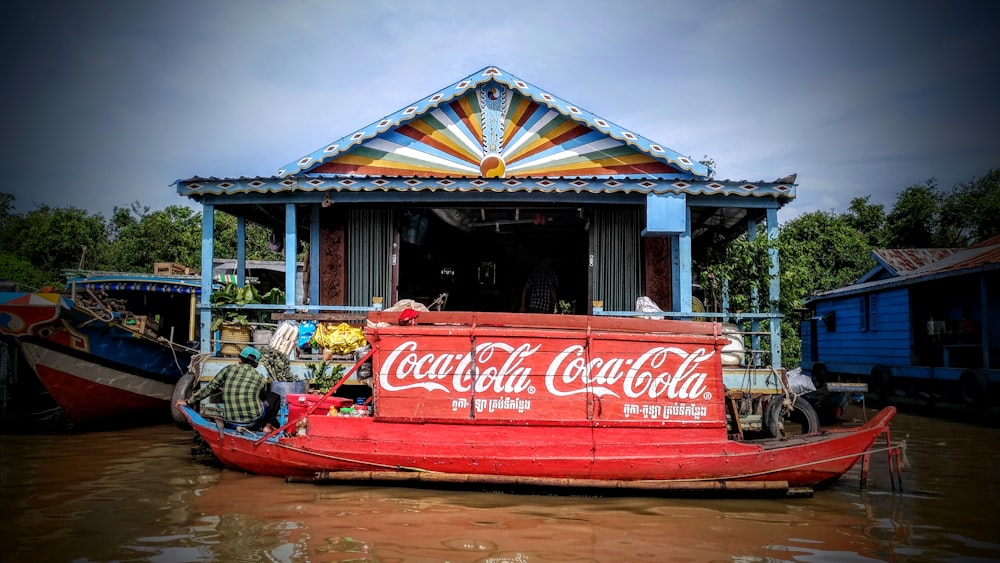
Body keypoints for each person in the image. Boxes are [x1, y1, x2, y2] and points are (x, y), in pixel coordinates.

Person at [175, 346, 280, 432]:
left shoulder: (228, 369)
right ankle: (267, 425)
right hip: (252, 421)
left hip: (230, 422)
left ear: (240, 359)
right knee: (274, 397)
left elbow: (209, 388)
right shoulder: (260, 378)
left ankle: (260, 426)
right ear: (256, 365)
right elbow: (262, 397)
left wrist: (188, 401)